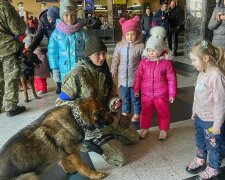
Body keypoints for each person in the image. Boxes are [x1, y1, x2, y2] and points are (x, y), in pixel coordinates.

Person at [56, 36, 139, 167]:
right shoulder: (77, 74)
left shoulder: (105, 71)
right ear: (89, 55)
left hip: (105, 119)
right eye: (97, 54)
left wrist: (114, 102)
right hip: (87, 126)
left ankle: (108, 134)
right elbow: (60, 104)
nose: (101, 58)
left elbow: (111, 96)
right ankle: (85, 142)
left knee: (134, 138)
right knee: (120, 160)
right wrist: (84, 109)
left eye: (103, 53)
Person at [185, 40, 225, 180]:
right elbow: (198, 94)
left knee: (214, 146)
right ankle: (201, 159)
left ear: (205, 58)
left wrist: (217, 125)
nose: (192, 63)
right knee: (200, 140)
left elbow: (221, 103)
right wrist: (194, 110)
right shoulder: (202, 72)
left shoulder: (216, 77)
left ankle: (214, 168)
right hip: (200, 117)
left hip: (211, 121)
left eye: (194, 60)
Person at [134, 26, 177, 140]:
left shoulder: (166, 63)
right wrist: (136, 89)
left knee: (163, 112)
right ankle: (144, 128)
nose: (151, 53)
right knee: (145, 112)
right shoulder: (144, 62)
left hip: (161, 94)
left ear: (160, 50)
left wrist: (172, 94)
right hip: (146, 94)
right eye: (149, 50)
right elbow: (138, 76)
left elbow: (172, 79)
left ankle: (163, 130)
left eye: (153, 50)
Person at [111, 16, 144, 128]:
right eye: (128, 34)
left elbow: (144, 61)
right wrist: (113, 70)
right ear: (124, 34)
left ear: (137, 33)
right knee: (125, 97)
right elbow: (115, 59)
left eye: (132, 34)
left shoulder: (140, 46)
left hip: (135, 79)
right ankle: (125, 112)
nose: (130, 36)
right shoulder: (119, 46)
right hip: (123, 79)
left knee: (135, 98)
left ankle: (136, 113)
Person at [48, 0, 87, 91]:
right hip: (64, 72)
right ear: (62, 16)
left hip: (79, 71)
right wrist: (55, 69)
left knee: (80, 95)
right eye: (66, 15)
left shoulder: (82, 33)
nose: (69, 18)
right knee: (66, 96)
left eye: (72, 15)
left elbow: (88, 49)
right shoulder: (56, 34)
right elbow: (52, 53)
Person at [0, 0, 27, 117]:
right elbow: (18, 29)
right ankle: (11, 107)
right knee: (11, 77)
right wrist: (22, 21)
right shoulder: (4, 7)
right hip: (7, 48)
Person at [26, 6, 60, 93]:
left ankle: (65, 85)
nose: (54, 23)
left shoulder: (60, 17)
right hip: (52, 45)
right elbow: (38, 37)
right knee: (54, 65)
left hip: (62, 42)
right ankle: (59, 84)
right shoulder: (43, 21)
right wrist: (30, 49)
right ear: (48, 18)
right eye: (52, 20)